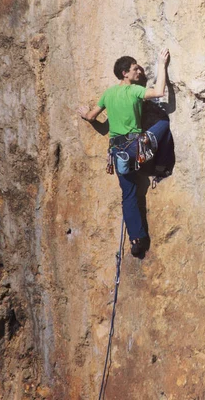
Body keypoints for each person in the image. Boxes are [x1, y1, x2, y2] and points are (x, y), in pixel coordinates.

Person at [78, 50, 172, 257]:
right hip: (134, 145)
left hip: (116, 150)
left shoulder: (108, 94)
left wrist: (85, 114)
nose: (139, 71)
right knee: (164, 122)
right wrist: (161, 65)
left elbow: (93, 116)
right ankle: (161, 167)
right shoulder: (134, 91)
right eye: (134, 69)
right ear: (124, 74)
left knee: (128, 194)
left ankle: (137, 240)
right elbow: (158, 92)